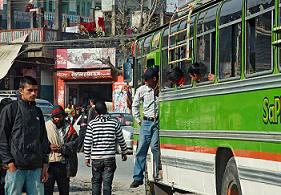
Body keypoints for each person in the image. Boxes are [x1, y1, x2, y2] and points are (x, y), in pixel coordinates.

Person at [0, 76, 49, 195]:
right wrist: (9, 162)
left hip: (35, 166)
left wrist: (45, 163)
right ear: (21, 91)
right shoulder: (10, 109)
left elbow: (43, 138)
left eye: (35, 90)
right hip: (16, 166)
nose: (33, 93)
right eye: (30, 90)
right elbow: (2, 138)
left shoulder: (38, 112)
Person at [84, 101, 128, 195]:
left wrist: (87, 157)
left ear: (96, 112)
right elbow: (121, 139)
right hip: (109, 158)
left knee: (96, 182)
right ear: (106, 110)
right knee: (107, 185)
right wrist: (124, 152)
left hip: (96, 159)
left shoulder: (92, 124)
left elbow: (87, 142)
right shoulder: (114, 123)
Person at [130, 67, 160, 188]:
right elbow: (135, 106)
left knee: (155, 148)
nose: (145, 82)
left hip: (158, 122)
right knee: (141, 149)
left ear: (154, 79)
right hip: (146, 123)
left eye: (147, 79)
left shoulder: (160, 89)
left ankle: (157, 171)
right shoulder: (142, 90)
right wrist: (138, 120)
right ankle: (138, 177)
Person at [45, 105, 78, 195]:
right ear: (52, 117)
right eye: (55, 117)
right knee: (47, 190)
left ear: (63, 116)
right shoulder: (46, 126)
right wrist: (49, 146)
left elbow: (74, 143)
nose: (57, 119)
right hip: (49, 164)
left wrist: (62, 148)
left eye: (59, 117)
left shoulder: (69, 127)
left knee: (64, 190)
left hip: (63, 164)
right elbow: (39, 141)